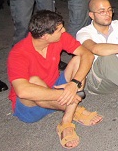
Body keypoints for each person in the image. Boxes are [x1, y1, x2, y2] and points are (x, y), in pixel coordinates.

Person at [7, 10, 102, 149]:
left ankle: (66, 122)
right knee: (33, 82)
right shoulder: (18, 53)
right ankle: (74, 110)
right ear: (45, 36)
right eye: (59, 29)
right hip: (31, 108)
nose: (64, 30)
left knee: (78, 60)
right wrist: (64, 95)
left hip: (55, 87)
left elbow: (87, 55)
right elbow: (22, 91)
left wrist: (74, 84)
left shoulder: (60, 37)